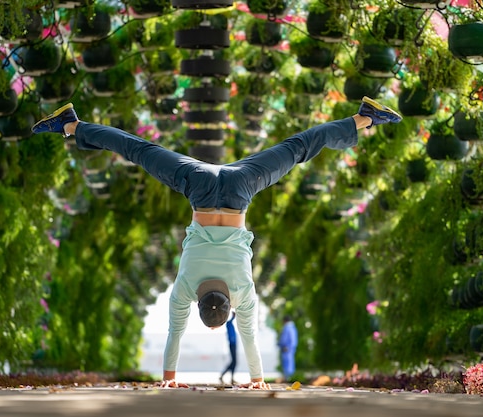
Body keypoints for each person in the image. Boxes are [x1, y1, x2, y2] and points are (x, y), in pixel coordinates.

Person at [31, 96, 402, 390]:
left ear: (227, 306)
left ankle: (364, 118)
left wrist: (257, 379)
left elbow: (251, 340)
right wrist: (169, 376)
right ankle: (71, 124)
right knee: (137, 150)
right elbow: (174, 337)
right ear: (202, 305)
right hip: (199, 184)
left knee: (300, 146)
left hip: (242, 185)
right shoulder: (185, 290)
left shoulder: (242, 293)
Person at [278, 315, 298, 381]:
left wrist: (285, 346)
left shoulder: (287, 327)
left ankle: (288, 378)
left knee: (288, 363)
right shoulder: (293, 327)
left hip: (287, 348)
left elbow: (285, 338)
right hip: (290, 348)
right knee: (290, 362)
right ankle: (290, 377)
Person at [220, 311, 237, 385]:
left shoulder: (231, 325)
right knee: (234, 361)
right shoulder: (228, 324)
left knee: (234, 362)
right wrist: (233, 316)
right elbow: (231, 320)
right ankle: (224, 375)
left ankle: (231, 378)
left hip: (234, 344)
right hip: (232, 344)